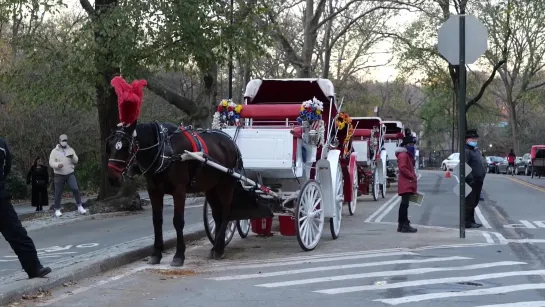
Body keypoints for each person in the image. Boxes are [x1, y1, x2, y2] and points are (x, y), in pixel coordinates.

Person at [0, 137, 52, 278]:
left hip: (1, 199)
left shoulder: (1, 144)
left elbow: (6, 167)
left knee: (17, 233)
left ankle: (34, 268)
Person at [49, 134, 87, 217]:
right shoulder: (54, 151)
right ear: (59, 141)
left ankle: (80, 206)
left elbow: (76, 161)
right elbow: (51, 162)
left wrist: (72, 157)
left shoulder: (71, 150)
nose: (64, 142)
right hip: (59, 175)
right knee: (58, 192)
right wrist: (57, 165)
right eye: (63, 140)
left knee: (75, 188)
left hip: (70, 174)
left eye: (65, 140)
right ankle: (57, 209)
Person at [395, 135, 418, 233]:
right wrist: (412, 176)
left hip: (406, 182)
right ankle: (404, 224)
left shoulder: (405, 154)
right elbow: (403, 168)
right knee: (404, 204)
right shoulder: (403, 155)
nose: (412, 146)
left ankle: (401, 224)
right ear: (405, 145)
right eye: (410, 144)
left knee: (404, 204)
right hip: (406, 182)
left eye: (412, 144)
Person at [464, 129, 486, 228]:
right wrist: (470, 178)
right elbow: (464, 165)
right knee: (470, 201)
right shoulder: (466, 151)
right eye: (473, 138)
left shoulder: (475, 151)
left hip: (479, 180)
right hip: (471, 181)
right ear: (467, 140)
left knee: (475, 201)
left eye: (476, 139)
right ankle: (467, 221)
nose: (475, 140)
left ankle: (471, 220)